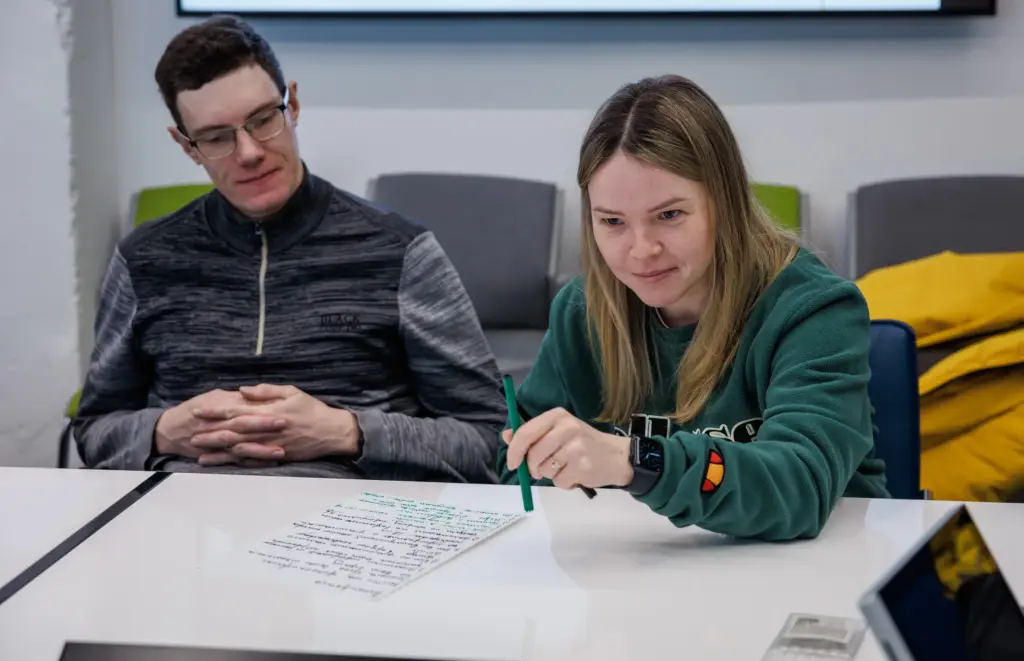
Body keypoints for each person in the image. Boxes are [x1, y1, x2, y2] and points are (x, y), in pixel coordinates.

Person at [74, 16, 504, 482]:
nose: (249, 152)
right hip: (182, 510)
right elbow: (94, 430)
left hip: (353, 513)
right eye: (217, 137)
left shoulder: (400, 253)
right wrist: (161, 432)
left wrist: (348, 433)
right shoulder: (144, 259)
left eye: (263, 120)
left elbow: (490, 439)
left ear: (292, 105)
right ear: (187, 146)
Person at [498, 75, 888, 540]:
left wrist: (634, 461)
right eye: (613, 222)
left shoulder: (814, 309)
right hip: (640, 569)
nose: (642, 250)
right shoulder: (581, 311)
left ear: (724, 202)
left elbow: (798, 489)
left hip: (819, 568)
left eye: (669, 215)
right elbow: (518, 475)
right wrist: (542, 461)